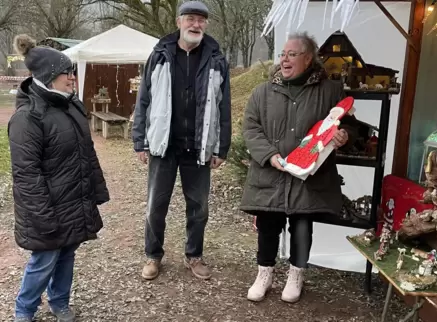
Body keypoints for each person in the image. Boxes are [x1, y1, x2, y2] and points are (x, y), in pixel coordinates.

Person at [240, 32, 358, 303]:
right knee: (268, 223)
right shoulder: (262, 92)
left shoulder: (330, 91)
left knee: (302, 224)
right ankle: (264, 273)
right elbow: (251, 128)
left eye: (292, 54)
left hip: (309, 174)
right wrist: (269, 155)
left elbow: (349, 124)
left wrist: (344, 136)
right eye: (283, 54)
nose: (284, 59)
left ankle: (296, 273)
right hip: (272, 170)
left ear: (308, 58)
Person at [8, 35, 109, 322]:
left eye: (73, 72)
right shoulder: (27, 118)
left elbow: (87, 154)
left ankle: (59, 302)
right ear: (48, 75)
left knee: (67, 254)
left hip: (74, 201)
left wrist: (95, 192)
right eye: (67, 73)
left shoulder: (72, 105)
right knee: (43, 260)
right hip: (47, 208)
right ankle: (24, 310)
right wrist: (43, 217)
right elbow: (27, 175)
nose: (72, 78)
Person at [132, 0, 231, 281]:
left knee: (199, 206)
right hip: (164, 146)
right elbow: (144, 99)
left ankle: (194, 255)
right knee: (155, 205)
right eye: (190, 19)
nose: (195, 25)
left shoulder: (216, 59)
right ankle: (153, 256)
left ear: (206, 24)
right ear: (178, 22)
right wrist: (140, 140)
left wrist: (221, 146)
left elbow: (224, 107)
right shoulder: (160, 54)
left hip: (199, 146)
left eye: (201, 20)